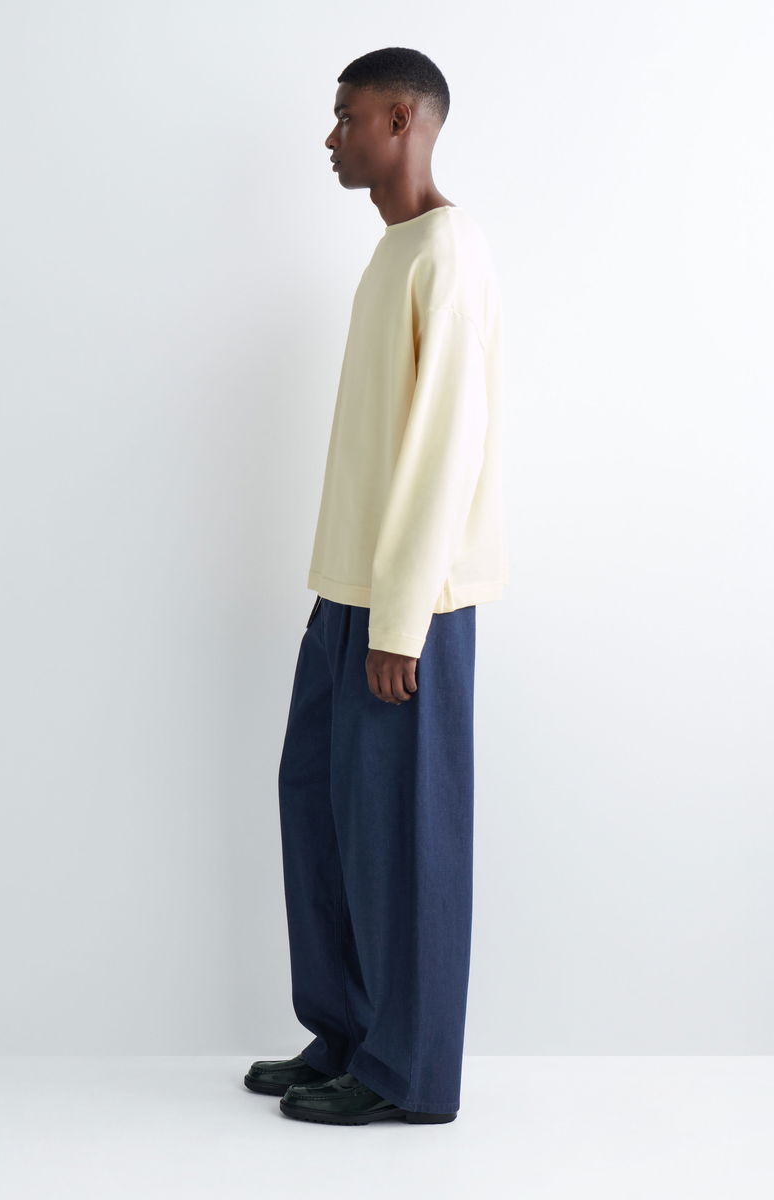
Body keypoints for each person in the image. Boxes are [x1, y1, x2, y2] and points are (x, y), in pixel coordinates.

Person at [244, 46, 507, 1125]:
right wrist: (343, 598)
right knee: (317, 806)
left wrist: (398, 619)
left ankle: (408, 1075)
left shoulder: (448, 250)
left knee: (403, 838)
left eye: (347, 116)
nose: (332, 136)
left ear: (403, 119)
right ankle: (346, 1032)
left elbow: (445, 450)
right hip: (349, 595)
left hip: (411, 608)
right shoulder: (393, 252)